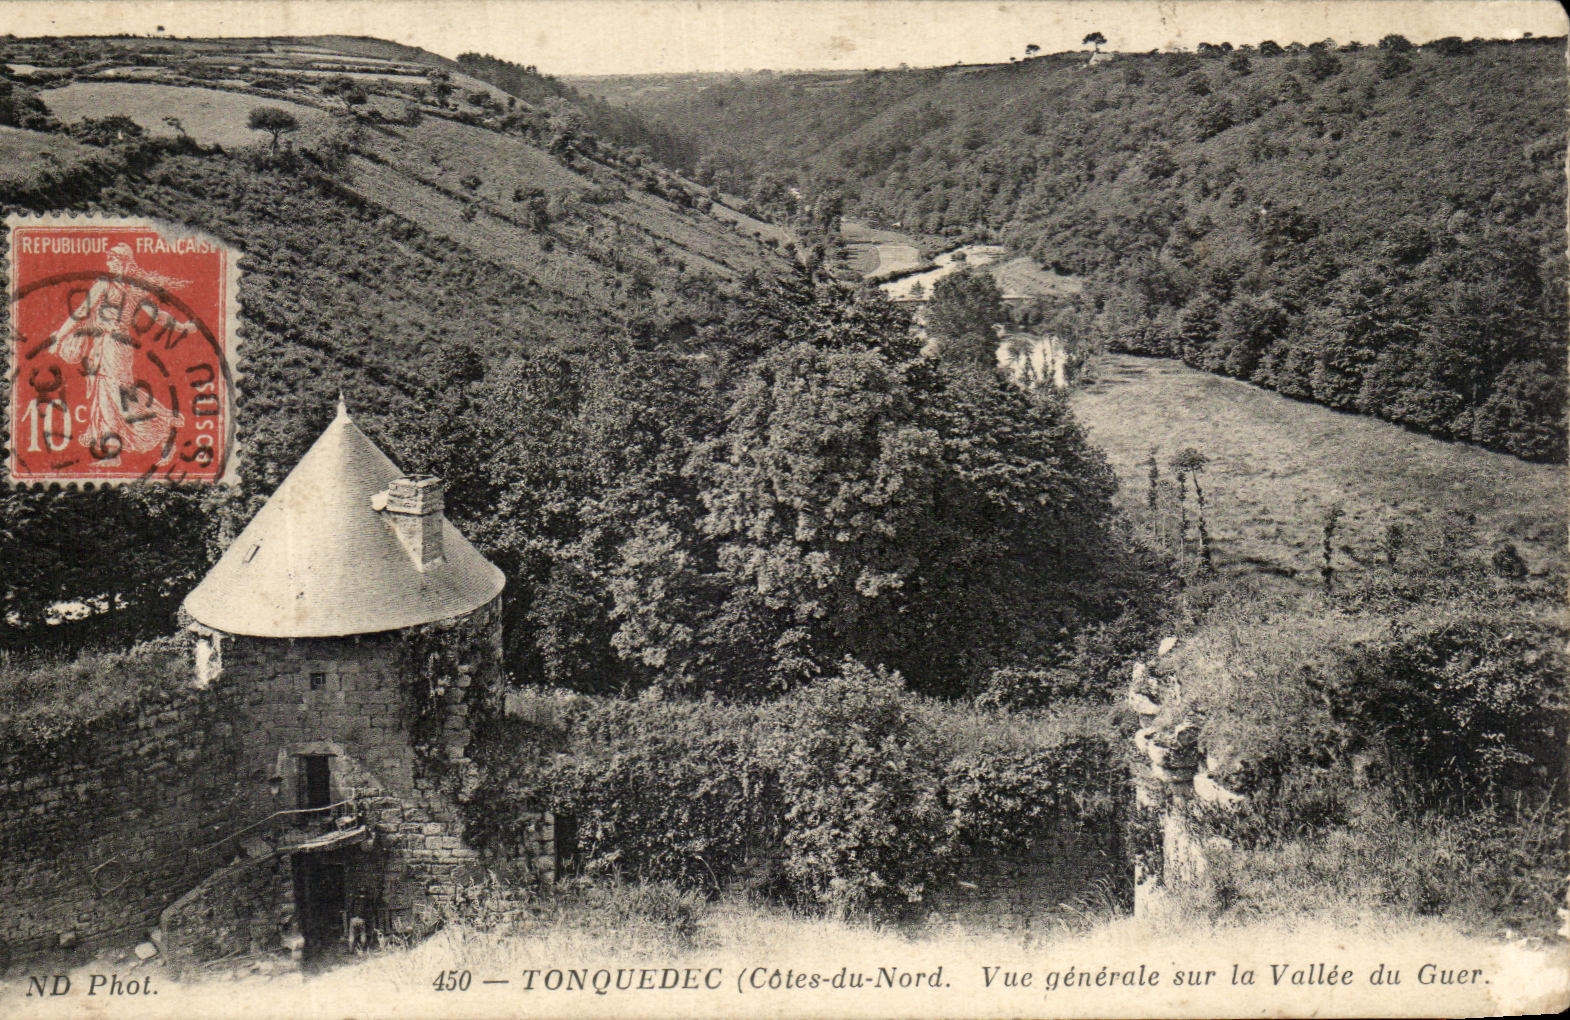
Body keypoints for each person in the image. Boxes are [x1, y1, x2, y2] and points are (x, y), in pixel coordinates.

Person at [47, 243, 188, 465]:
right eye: (109, 260)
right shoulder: (133, 288)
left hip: (111, 346)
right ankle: (118, 451)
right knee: (115, 395)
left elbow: (82, 311)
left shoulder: (112, 285)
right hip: (116, 346)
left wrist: (59, 338)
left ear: (125, 262)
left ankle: (159, 431)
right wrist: (182, 326)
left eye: (114, 260)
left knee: (111, 395)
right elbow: (157, 315)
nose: (109, 264)